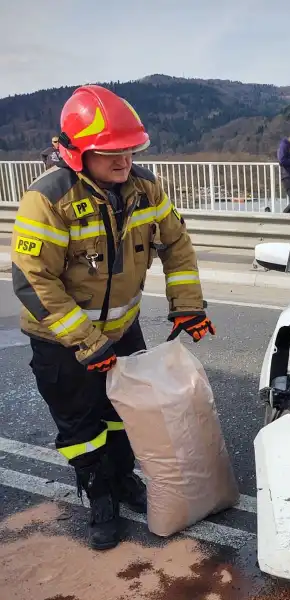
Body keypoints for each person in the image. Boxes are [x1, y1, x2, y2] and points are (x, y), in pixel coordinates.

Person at [11, 84, 215, 550]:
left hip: (123, 329)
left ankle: (123, 479)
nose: (125, 162)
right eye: (111, 154)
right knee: (80, 423)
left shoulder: (145, 188)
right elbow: (33, 280)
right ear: (77, 154)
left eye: (129, 152)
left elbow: (177, 245)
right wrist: (86, 340)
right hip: (63, 340)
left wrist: (188, 306)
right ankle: (98, 494)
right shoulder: (48, 199)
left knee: (127, 412)